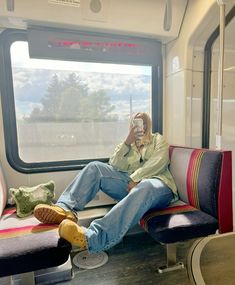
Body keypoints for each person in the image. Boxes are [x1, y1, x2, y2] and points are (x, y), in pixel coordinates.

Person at [34, 112, 178, 253]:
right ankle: (65, 210)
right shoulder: (128, 145)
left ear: (149, 125)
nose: (141, 126)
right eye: (136, 123)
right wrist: (127, 142)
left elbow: (160, 162)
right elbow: (114, 165)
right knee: (95, 167)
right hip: (131, 188)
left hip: (158, 186)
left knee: (146, 185)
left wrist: (136, 178)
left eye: (144, 123)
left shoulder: (158, 139)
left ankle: (93, 237)